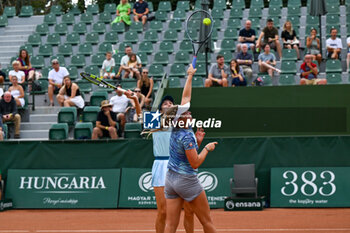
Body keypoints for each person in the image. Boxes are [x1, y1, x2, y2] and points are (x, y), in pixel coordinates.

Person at [163, 65, 218, 233]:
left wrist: (190, 75)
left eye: (189, 113)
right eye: (187, 114)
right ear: (181, 119)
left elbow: (186, 97)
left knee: (170, 225)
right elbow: (194, 163)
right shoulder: (186, 136)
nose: (190, 115)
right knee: (207, 222)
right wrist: (206, 149)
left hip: (170, 179)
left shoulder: (173, 126)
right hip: (187, 180)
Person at [148, 94, 195, 233]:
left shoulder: (179, 122)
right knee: (163, 211)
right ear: (161, 108)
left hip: (179, 164)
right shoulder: (154, 120)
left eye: (170, 103)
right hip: (161, 165)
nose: (168, 104)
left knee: (188, 209)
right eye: (165, 103)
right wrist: (134, 99)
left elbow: (186, 100)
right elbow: (139, 115)